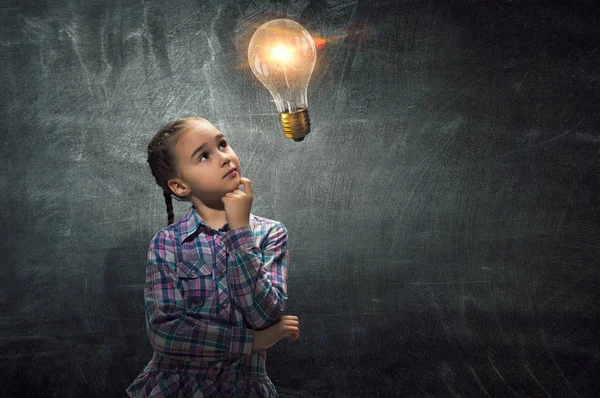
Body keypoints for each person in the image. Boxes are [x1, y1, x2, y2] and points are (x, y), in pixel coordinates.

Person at [126, 117, 300, 397]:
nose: (224, 158)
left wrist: (241, 232)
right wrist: (252, 341)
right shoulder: (168, 242)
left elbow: (264, 314)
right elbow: (165, 332)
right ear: (180, 186)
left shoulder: (270, 233)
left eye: (222, 144)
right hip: (177, 387)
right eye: (204, 156)